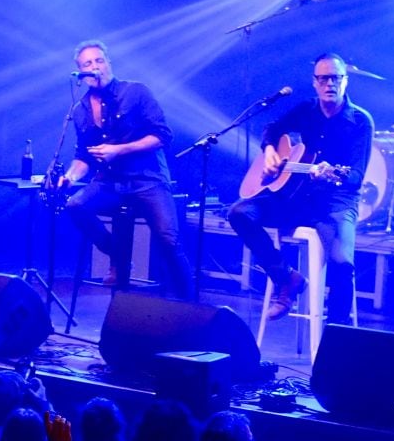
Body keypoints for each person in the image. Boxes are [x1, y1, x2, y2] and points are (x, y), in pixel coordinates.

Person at [227, 51, 374, 321]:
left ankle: (337, 337)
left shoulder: (361, 121)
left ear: (345, 81)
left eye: (336, 78)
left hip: (335, 203)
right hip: (295, 197)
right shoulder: (306, 110)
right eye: (324, 78)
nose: (330, 84)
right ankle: (287, 278)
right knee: (239, 213)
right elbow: (272, 128)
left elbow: (354, 177)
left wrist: (331, 174)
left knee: (342, 263)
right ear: (315, 82)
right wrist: (270, 151)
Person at [48, 39, 193, 299]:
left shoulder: (135, 92)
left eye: (99, 61)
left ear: (109, 63)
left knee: (168, 239)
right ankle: (118, 255)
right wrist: (70, 177)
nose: (95, 67)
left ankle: (190, 305)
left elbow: (162, 136)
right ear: (80, 73)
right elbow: (84, 156)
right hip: (109, 182)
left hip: (147, 179)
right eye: (88, 64)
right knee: (75, 205)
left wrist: (120, 149)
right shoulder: (79, 110)